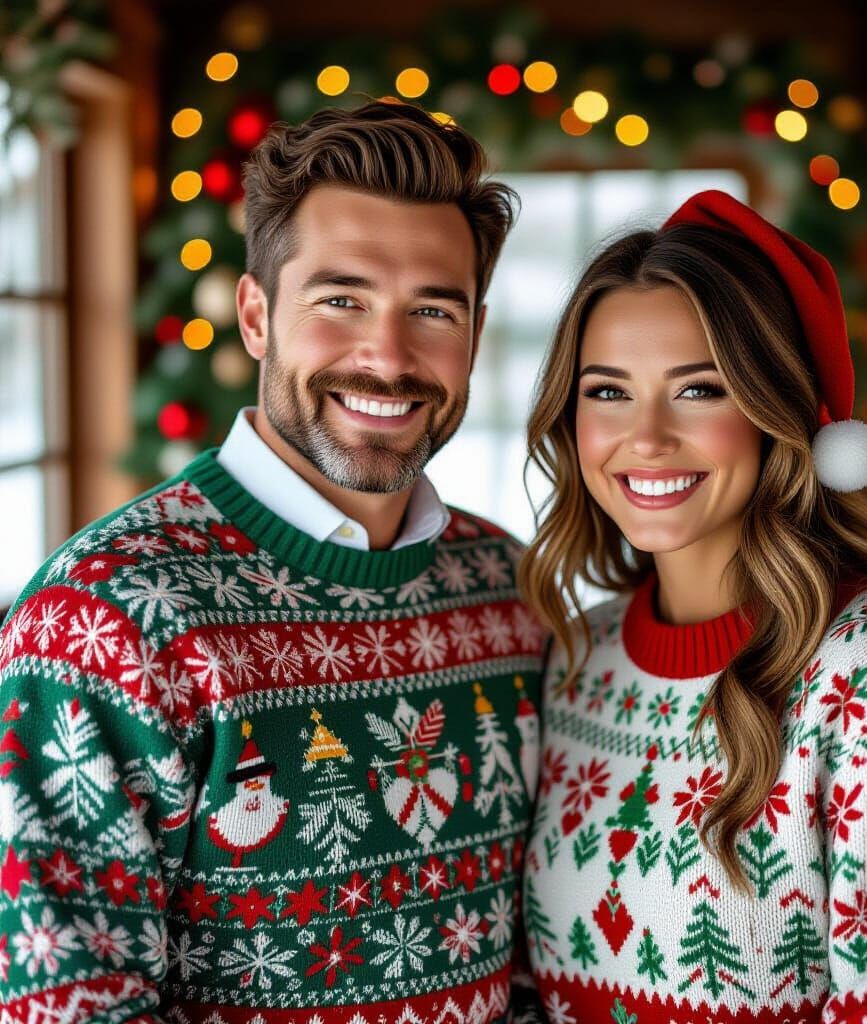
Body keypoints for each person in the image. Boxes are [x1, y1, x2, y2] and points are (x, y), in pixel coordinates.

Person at [0, 102, 547, 1024]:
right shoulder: (106, 616)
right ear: (256, 315)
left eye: (432, 310)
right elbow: (66, 1005)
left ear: (475, 336)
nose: (388, 355)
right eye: (342, 300)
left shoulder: (508, 587)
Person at [517, 190, 867, 1023]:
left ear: (775, 413)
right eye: (607, 391)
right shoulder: (579, 660)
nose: (645, 436)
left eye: (699, 390)